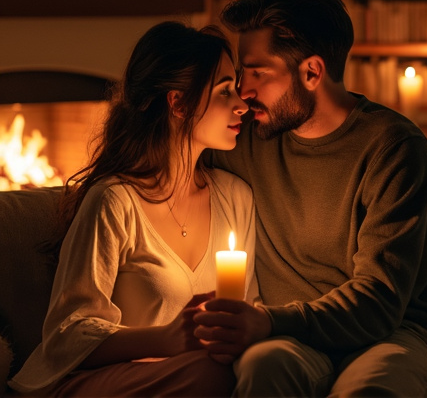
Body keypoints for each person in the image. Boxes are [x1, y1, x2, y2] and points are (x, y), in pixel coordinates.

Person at [194, 0, 427, 397]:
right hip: (290, 341)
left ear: (311, 72)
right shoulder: (246, 137)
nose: (243, 90)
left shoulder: (394, 147)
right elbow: (168, 150)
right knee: (262, 368)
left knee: (374, 389)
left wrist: (270, 320)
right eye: (240, 73)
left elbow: (380, 298)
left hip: (387, 336)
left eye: (257, 72)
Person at [8, 21, 256, 397]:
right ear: (179, 102)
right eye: (225, 91)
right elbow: (67, 333)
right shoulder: (115, 201)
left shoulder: (236, 198)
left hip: (193, 374)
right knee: (215, 375)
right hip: (100, 379)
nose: (241, 105)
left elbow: (247, 309)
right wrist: (166, 340)